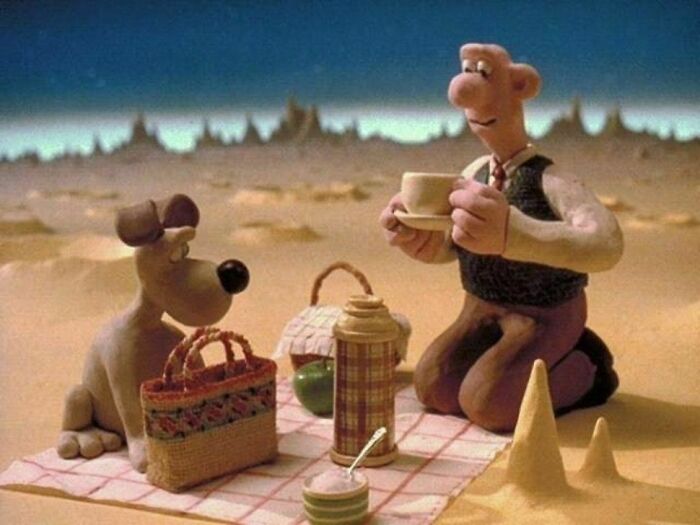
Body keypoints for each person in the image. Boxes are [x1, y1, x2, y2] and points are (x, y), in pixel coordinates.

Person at [379, 43, 623, 432]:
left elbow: (606, 244)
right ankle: (517, 362)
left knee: (489, 406)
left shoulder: (551, 181)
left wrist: (515, 233)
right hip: (479, 306)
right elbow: (456, 243)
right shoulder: (475, 172)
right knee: (434, 387)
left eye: (482, 73)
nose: (466, 87)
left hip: (544, 314)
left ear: (520, 86)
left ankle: (585, 367)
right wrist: (421, 241)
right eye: (467, 70)